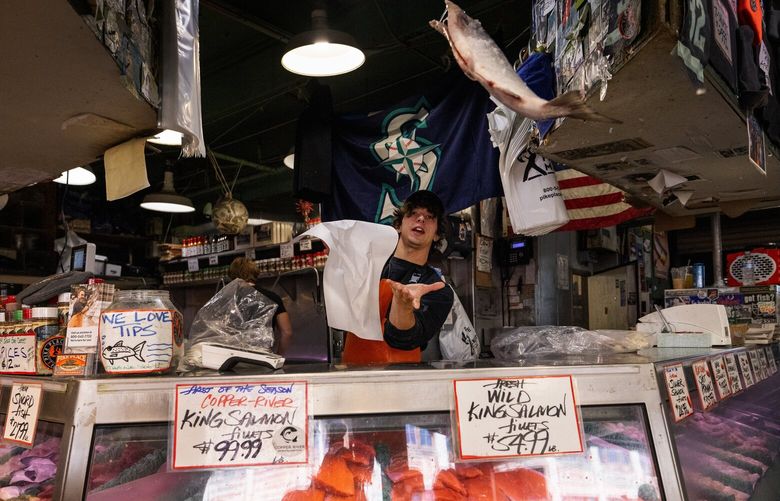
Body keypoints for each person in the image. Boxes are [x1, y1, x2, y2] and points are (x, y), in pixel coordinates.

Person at [342, 190, 454, 364]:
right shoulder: (368, 267)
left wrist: (403, 307)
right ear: (399, 225)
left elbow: (403, 340)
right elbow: (340, 318)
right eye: (413, 213)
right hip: (352, 375)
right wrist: (337, 267)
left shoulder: (437, 289)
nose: (421, 219)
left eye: (430, 216)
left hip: (400, 380)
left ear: (437, 234)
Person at [228, 257, 294, 356]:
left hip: (233, 359)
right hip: (263, 359)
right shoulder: (272, 297)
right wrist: (279, 356)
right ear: (254, 272)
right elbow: (287, 332)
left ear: (232, 275)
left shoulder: (228, 300)